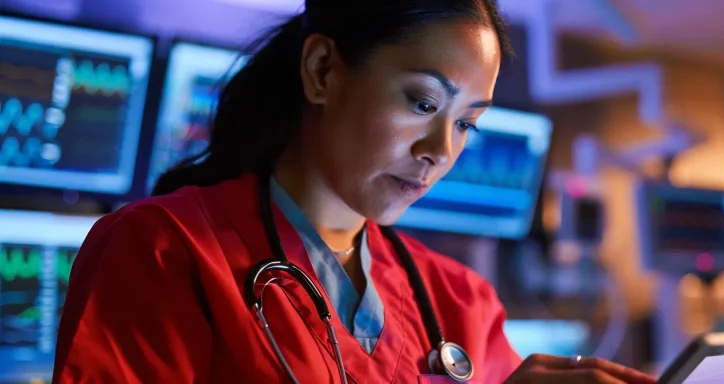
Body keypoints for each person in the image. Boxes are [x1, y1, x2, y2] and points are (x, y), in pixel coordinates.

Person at [52, 1, 657, 383]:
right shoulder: (164, 252)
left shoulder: (459, 302)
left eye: (468, 122)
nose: (442, 151)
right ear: (322, 72)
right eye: (423, 102)